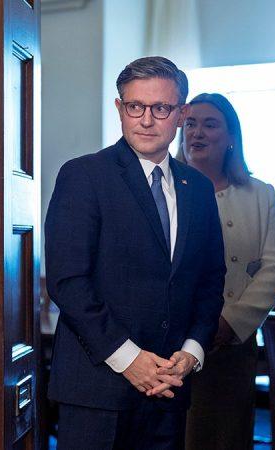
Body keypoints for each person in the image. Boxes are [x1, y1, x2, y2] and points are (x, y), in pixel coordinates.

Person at [44, 57, 226, 450]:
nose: (146, 120)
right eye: (135, 106)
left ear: (181, 114)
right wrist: (129, 359)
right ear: (119, 108)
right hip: (97, 391)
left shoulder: (197, 187)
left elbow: (211, 281)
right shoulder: (83, 175)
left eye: (160, 108)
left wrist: (192, 351)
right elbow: (67, 281)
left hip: (169, 389)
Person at [179, 93, 275, 450]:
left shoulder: (261, 194)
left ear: (231, 137)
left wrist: (230, 323)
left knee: (226, 437)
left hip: (233, 344)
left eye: (210, 124)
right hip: (172, 344)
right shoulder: (165, 189)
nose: (197, 132)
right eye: (190, 123)